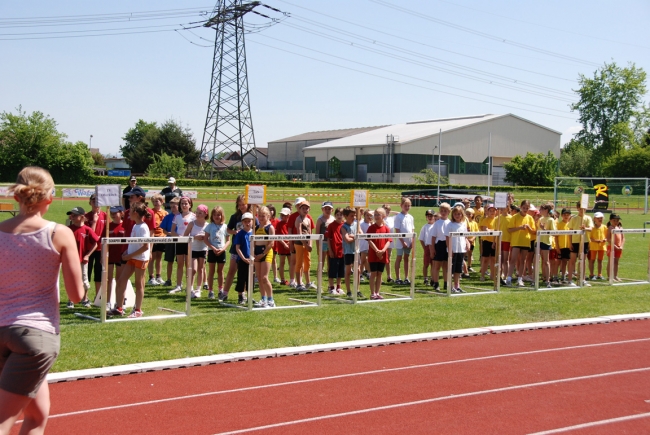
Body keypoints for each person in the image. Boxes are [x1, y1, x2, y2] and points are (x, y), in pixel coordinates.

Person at [0, 166, 83, 435]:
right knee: (3, 420)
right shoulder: (58, 233)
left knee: (37, 415)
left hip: (2, 330)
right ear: (49, 198)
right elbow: (76, 295)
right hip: (34, 336)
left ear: (17, 196)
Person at [109, 203, 151, 318]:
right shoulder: (135, 225)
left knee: (139, 284)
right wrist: (127, 252)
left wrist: (129, 255)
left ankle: (138, 310)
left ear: (135, 213)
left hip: (141, 258)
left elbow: (145, 247)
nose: (128, 214)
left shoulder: (143, 227)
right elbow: (134, 243)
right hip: (132, 257)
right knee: (121, 280)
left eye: (130, 211)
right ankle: (119, 307)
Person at [67, 206, 99, 308]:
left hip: (82, 260)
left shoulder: (87, 230)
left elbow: (96, 243)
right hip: (71, 260)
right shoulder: (69, 229)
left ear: (81, 217)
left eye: (74, 215)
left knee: (84, 279)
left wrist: (87, 255)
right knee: (71, 279)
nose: (71, 217)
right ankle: (71, 299)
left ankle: (85, 298)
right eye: (71, 215)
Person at [222, 195, 251, 301]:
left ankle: (242, 295)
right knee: (232, 270)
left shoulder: (252, 217)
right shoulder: (235, 217)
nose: (241, 207)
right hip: (236, 248)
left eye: (243, 204)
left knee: (244, 273)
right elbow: (228, 229)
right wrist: (235, 232)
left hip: (247, 248)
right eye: (239, 205)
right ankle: (224, 293)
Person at [169, 196, 196, 294]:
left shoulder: (194, 216)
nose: (184, 205)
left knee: (189, 265)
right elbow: (172, 231)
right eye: (182, 204)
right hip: (180, 242)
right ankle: (178, 285)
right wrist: (179, 236)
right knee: (180, 264)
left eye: (186, 203)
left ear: (190, 205)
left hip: (189, 243)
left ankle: (190, 286)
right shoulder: (177, 216)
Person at [506, 200, 535, 287]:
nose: (525, 209)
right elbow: (509, 229)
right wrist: (519, 228)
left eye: (527, 208)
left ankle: (520, 279)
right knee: (513, 260)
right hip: (516, 241)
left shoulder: (530, 218)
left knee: (523, 260)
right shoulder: (515, 217)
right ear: (520, 207)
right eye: (524, 208)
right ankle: (509, 278)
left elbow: (533, 231)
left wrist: (528, 228)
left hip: (525, 241)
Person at [183, 204, 209, 298]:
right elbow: (185, 236)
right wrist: (195, 237)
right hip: (193, 249)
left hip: (203, 249)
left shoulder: (207, 225)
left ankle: (198, 289)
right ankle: (190, 289)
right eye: (197, 212)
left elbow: (209, 238)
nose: (198, 215)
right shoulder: (192, 223)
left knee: (201, 269)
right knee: (193, 269)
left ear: (205, 214)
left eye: (200, 213)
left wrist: (204, 238)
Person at [204, 206, 230, 300]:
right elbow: (205, 239)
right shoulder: (209, 226)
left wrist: (223, 249)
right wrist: (212, 248)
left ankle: (220, 290)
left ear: (222, 215)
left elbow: (228, 240)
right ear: (212, 216)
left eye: (218, 215)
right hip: (212, 251)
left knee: (220, 271)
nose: (216, 216)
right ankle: (210, 291)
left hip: (221, 251)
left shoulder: (225, 226)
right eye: (214, 215)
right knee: (211, 271)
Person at [85, 194, 107, 300]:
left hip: (101, 249)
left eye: (98, 201)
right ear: (90, 202)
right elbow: (89, 235)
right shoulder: (86, 216)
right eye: (94, 201)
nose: (96, 203)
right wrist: (94, 221)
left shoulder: (105, 215)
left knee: (99, 274)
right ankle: (85, 297)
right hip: (89, 249)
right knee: (86, 273)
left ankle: (98, 297)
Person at [253, 206, 276, 308]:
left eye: (263, 216)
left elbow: (271, 243)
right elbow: (253, 241)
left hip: (266, 252)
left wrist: (263, 254)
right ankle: (263, 299)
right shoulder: (256, 227)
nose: (261, 218)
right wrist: (253, 253)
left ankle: (271, 299)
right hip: (257, 253)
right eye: (259, 216)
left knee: (264, 277)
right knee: (258, 277)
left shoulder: (270, 227)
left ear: (268, 216)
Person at [367, 207, 392, 300]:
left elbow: (388, 241)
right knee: (373, 274)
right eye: (375, 214)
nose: (376, 216)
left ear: (384, 216)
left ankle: (377, 292)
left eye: (379, 214)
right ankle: (372, 293)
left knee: (379, 274)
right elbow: (369, 240)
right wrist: (377, 250)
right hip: (373, 254)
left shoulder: (386, 228)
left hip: (383, 254)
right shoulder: (371, 228)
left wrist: (382, 251)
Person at [568, 201, 593, 287]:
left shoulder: (588, 218)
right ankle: (570, 280)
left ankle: (582, 279)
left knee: (583, 261)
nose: (582, 210)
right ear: (577, 208)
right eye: (580, 208)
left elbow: (590, 228)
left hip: (584, 241)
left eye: (584, 208)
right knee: (572, 261)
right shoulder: (573, 218)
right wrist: (570, 242)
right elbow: (570, 231)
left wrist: (584, 228)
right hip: (575, 241)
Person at [447, 204, 469, 293]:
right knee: (451, 269)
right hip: (453, 249)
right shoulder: (450, 224)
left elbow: (465, 236)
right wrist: (450, 249)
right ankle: (450, 286)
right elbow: (447, 237)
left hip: (461, 249)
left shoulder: (463, 224)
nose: (457, 215)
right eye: (455, 214)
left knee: (458, 269)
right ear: (453, 215)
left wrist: (467, 243)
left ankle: (457, 285)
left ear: (462, 215)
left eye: (459, 214)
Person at [159, 197, 181, 286]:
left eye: (174, 206)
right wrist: (169, 233)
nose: (172, 208)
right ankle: (168, 279)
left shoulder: (182, 217)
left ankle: (180, 282)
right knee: (169, 260)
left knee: (180, 262)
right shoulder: (168, 217)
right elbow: (163, 230)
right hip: (170, 240)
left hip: (180, 240)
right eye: (171, 207)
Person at [430, 202, 451, 291]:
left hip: (448, 245)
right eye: (442, 211)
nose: (443, 212)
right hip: (439, 244)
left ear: (449, 212)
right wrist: (432, 249)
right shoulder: (437, 223)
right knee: (437, 265)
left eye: (445, 211)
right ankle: (436, 283)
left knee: (446, 266)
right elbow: (433, 237)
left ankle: (446, 283)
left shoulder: (450, 223)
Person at [234, 212, 254, 305]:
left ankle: (250, 296)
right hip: (242, 260)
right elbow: (237, 248)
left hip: (252, 260)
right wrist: (243, 258)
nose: (247, 223)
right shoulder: (240, 234)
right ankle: (240, 296)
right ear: (242, 222)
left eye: (249, 221)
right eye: (245, 221)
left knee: (250, 279)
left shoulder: (254, 233)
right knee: (241, 278)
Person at [148, 194, 168, 286]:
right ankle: (151, 277)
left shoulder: (165, 213)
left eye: (157, 201)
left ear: (162, 202)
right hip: (153, 236)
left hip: (162, 236)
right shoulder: (150, 212)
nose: (156, 203)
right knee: (152, 257)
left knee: (159, 257)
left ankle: (158, 276)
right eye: (154, 201)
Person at [393, 197, 414, 285]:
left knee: (407, 258)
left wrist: (412, 241)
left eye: (408, 206)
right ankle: (398, 278)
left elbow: (412, 230)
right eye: (405, 205)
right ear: (401, 206)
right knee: (399, 258)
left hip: (408, 241)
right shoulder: (398, 216)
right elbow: (397, 230)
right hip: (400, 241)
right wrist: (402, 241)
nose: (407, 207)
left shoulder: (410, 217)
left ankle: (406, 277)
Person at [107, 206, 125, 305]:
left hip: (121, 257)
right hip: (110, 256)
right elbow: (103, 242)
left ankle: (120, 301)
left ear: (121, 213)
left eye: (115, 213)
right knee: (108, 279)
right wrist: (103, 256)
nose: (113, 215)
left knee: (120, 279)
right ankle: (108, 301)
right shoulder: (108, 226)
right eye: (112, 213)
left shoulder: (125, 226)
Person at [293, 199, 313, 291]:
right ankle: (299, 283)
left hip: (307, 244)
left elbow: (310, 233)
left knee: (308, 262)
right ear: (299, 209)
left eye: (307, 208)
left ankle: (308, 282)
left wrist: (310, 244)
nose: (305, 210)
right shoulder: (298, 219)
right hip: (299, 243)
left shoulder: (308, 219)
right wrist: (306, 244)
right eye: (303, 208)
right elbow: (299, 233)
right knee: (299, 263)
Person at [341, 207, 361, 298]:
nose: (353, 217)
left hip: (356, 250)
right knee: (348, 271)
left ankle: (357, 290)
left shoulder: (357, 224)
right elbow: (347, 239)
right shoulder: (343, 227)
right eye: (351, 216)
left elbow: (361, 234)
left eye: (355, 215)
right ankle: (349, 291)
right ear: (345, 216)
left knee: (358, 271)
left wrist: (354, 236)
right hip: (348, 251)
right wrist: (355, 237)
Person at [326, 207, 345, 295]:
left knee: (341, 271)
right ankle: (331, 287)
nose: (339, 216)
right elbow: (329, 239)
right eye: (337, 215)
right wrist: (330, 250)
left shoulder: (345, 225)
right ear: (335, 215)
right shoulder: (331, 225)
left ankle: (338, 287)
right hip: (334, 251)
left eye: (341, 215)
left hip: (343, 251)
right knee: (332, 271)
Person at [538, 204, 556, 288]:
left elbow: (554, 233)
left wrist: (544, 229)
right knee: (536, 260)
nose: (539, 210)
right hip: (538, 241)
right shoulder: (540, 219)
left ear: (546, 210)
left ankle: (548, 280)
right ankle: (536, 279)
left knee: (546, 261)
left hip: (546, 242)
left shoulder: (551, 220)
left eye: (541, 209)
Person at [478, 204, 497, 282]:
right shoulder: (485, 220)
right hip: (486, 241)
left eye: (493, 211)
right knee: (485, 259)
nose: (492, 212)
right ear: (487, 212)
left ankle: (492, 275)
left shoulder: (497, 220)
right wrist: (493, 231)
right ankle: (482, 275)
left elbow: (496, 230)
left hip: (494, 241)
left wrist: (492, 230)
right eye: (490, 211)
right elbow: (486, 230)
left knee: (493, 259)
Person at [316, 201, 335, 276]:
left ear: (332, 210)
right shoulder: (320, 220)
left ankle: (330, 281)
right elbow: (317, 234)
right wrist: (318, 247)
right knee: (321, 262)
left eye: (329, 209)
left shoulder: (333, 219)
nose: (327, 210)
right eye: (326, 209)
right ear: (322, 209)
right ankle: (319, 280)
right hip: (323, 243)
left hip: (331, 243)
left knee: (330, 262)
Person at [275, 207, 291, 285]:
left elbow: (293, 235)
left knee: (291, 263)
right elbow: (277, 236)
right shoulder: (279, 224)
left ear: (289, 215)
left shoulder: (291, 224)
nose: (283, 216)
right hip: (282, 246)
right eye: (282, 215)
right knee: (282, 262)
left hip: (290, 245)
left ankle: (292, 279)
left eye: (285, 215)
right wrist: (284, 244)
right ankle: (282, 279)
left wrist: (288, 243)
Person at [588, 211, 607, 280]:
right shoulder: (592, 227)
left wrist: (605, 239)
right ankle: (591, 274)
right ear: (594, 219)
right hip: (593, 247)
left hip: (602, 246)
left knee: (600, 260)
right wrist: (596, 241)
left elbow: (606, 236)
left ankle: (600, 274)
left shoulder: (604, 227)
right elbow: (590, 238)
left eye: (601, 218)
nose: (600, 219)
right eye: (598, 218)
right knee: (592, 260)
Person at [606, 213, 625, 282]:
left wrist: (621, 246)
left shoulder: (620, 228)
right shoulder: (610, 228)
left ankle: (615, 275)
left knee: (616, 262)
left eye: (617, 220)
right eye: (614, 220)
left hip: (619, 248)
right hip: (611, 247)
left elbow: (623, 238)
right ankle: (609, 276)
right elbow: (608, 239)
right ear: (611, 220)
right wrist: (614, 246)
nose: (616, 222)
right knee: (611, 261)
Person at [419, 210, 435, 285]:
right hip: (427, 247)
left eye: (431, 216)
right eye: (428, 216)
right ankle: (425, 279)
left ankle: (433, 278)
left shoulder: (435, 226)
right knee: (426, 264)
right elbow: (421, 239)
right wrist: (424, 248)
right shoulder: (425, 227)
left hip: (434, 247)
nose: (430, 217)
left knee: (433, 264)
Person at [556, 208, 573, 284]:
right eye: (564, 215)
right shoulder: (559, 225)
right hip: (561, 246)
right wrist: (557, 246)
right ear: (562, 215)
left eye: (568, 215)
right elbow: (556, 237)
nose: (566, 216)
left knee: (565, 262)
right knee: (558, 262)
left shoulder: (570, 225)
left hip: (568, 246)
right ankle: (555, 276)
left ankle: (563, 276)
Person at [382, 203, 395, 283]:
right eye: (385, 211)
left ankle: (389, 276)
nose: (387, 213)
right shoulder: (379, 219)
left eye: (388, 211)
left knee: (388, 259)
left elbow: (399, 213)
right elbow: (371, 213)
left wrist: (391, 211)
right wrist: (381, 212)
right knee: (381, 259)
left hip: (390, 241)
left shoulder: (392, 218)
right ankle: (380, 277)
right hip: (382, 241)